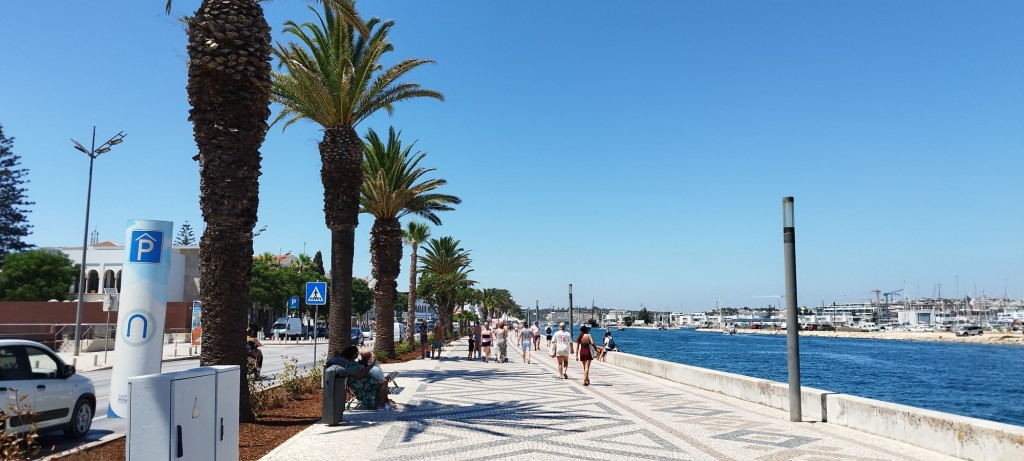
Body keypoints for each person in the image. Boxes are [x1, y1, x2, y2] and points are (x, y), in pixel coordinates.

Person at [338, 345, 390, 410]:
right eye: (357, 352)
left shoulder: (352, 362)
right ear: (353, 354)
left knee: (384, 380)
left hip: (364, 382)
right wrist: (369, 367)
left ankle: (385, 401)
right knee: (384, 382)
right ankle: (381, 404)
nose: (358, 354)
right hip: (361, 385)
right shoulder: (350, 365)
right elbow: (359, 375)